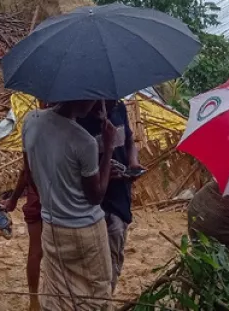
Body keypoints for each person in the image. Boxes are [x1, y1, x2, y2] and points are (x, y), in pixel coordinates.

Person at [22, 100, 115, 311]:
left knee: (58, 296)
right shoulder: (84, 142)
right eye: (90, 97)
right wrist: (108, 149)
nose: (93, 104)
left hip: (52, 227)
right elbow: (96, 196)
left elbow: (29, 174)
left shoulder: (31, 121)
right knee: (95, 297)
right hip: (86, 230)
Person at [79, 100, 140, 293]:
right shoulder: (80, 119)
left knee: (115, 255)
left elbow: (130, 141)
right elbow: (75, 166)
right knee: (95, 262)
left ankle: (105, 299)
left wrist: (133, 162)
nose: (115, 99)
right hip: (92, 203)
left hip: (120, 198)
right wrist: (103, 170)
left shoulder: (119, 108)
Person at [4, 161, 43, 311]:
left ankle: (34, 301)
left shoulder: (32, 138)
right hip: (59, 197)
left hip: (37, 197)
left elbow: (25, 172)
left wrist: (13, 201)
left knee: (35, 252)